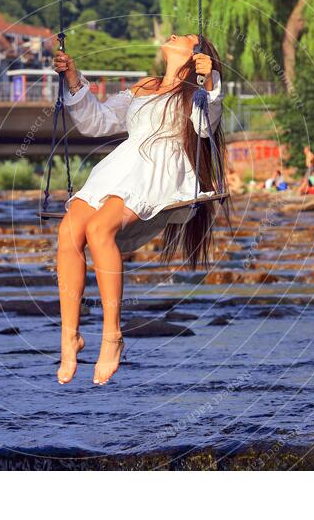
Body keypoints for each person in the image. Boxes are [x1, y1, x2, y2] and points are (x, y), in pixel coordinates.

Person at [52, 33, 226, 385]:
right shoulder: (145, 86)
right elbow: (96, 122)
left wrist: (212, 81)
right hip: (121, 167)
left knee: (100, 230)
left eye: (185, 36)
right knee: (69, 230)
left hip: (158, 172)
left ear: (195, 53)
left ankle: (112, 336)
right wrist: (73, 78)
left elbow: (206, 126)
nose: (174, 35)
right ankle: (70, 335)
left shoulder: (195, 94)